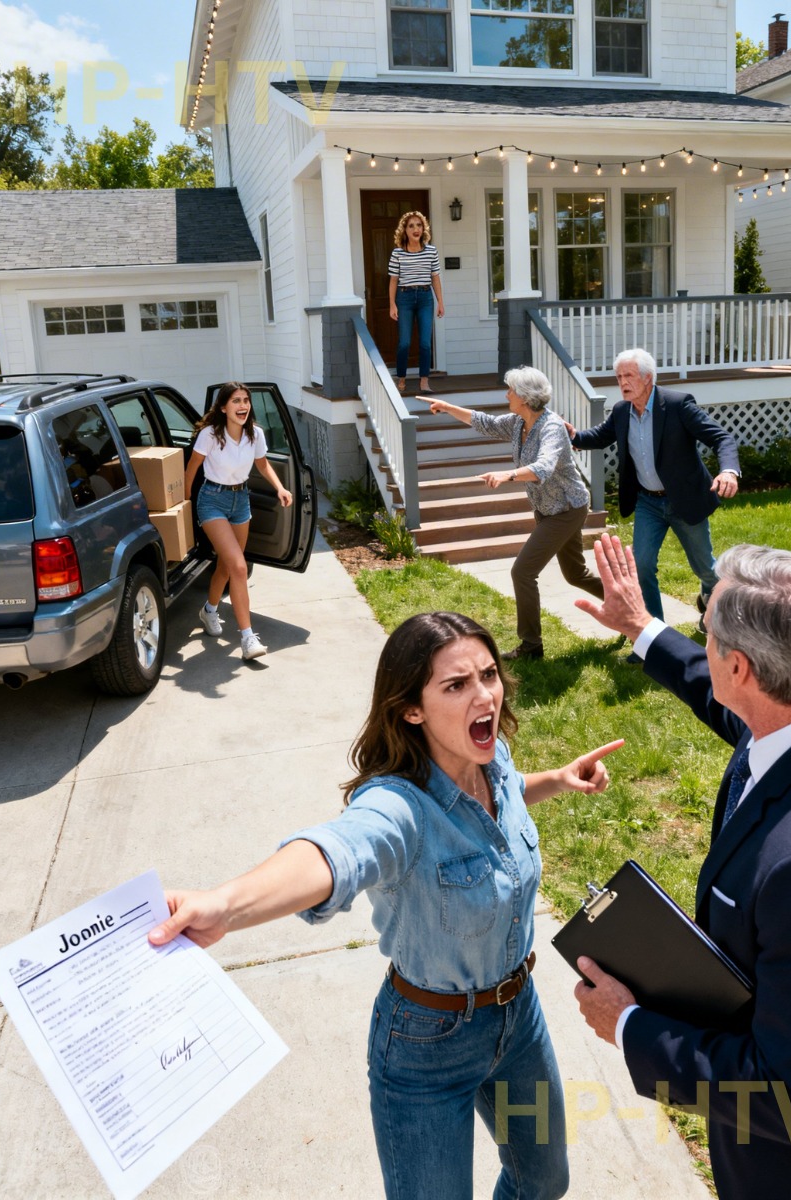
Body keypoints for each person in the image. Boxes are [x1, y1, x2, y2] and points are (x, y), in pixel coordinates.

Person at [149, 610, 623, 1200]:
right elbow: (338, 852)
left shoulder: (490, 757)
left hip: (517, 1018)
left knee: (545, 1181)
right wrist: (226, 904)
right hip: (428, 1044)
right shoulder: (398, 807)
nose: (485, 696)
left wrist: (557, 777)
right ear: (411, 709)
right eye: (456, 685)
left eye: (490, 675)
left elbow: (504, 792)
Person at [571, 532, 791, 1200]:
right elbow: (735, 712)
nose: (700, 642)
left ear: (740, 668)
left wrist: (631, 1026)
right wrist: (643, 629)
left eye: (704, 634)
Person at [429, 367, 605, 661]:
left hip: (566, 509)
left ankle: (531, 646)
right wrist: (447, 408)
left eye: (510, 390)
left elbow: (544, 468)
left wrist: (507, 475)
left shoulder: (551, 428)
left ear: (524, 397)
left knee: (522, 572)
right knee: (576, 574)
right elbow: (484, 422)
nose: (506, 394)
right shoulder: (517, 422)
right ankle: (631, 607)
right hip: (547, 509)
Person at [570, 348, 740, 633]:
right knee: (642, 567)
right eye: (619, 376)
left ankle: (714, 602)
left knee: (705, 568)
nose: (622, 382)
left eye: (629, 376)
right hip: (648, 502)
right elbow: (601, 436)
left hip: (684, 500)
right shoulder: (622, 410)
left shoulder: (677, 405)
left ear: (648, 379)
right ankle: (655, 636)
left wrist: (729, 471)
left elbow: (721, 438)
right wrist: (575, 436)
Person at [185, 382, 293, 661]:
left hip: (240, 500)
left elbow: (263, 464)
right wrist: (185, 501)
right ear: (223, 407)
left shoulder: (255, 434)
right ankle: (247, 638)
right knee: (239, 567)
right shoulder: (210, 434)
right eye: (236, 401)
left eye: (246, 400)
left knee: (227, 566)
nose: (243, 405)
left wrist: (279, 488)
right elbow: (193, 466)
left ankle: (208, 610)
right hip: (212, 500)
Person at [388, 210, 444, 394]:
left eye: (419, 225)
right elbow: (394, 280)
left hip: (425, 298)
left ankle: (424, 381)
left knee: (425, 343)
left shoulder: (431, 251)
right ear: (404, 230)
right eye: (411, 225)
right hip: (404, 299)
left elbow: (435, 278)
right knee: (404, 342)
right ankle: (402, 379)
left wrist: (440, 302)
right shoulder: (398, 253)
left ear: (423, 228)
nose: (416, 229)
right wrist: (392, 304)